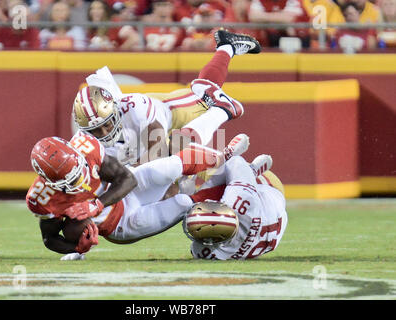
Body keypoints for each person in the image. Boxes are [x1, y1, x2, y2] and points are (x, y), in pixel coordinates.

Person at [26, 131, 248, 259]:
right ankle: (231, 182)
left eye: (79, 170)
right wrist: (76, 248)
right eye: (71, 180)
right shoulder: (42, 198)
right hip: (121, 224)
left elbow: (127, 179)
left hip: (126, 191)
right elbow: (50, 238)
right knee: (183, 203)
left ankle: (223, 156)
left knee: (169, 168)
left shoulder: (87, 148)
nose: (81, 180)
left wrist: (96, 205)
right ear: (50, 181)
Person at [72, 29, 261, 167]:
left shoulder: (134, 107)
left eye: (106, 124)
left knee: (174, 148)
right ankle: (226, 47)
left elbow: (159, 146)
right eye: (96, 129)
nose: (104, 133)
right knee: (173, 166)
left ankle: (223, 111)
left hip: (166, 111)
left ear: (115, 111)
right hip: (142, 130)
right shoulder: (82, 141)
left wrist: (137, 171)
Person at [183, 154, 287, 260]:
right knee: (228, 169)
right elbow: (235, 161)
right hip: (271, 192)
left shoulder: (204, 251)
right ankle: (252, 171)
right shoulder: (240, 199)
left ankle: (247, 173)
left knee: (220, 175)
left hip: (272, 233)